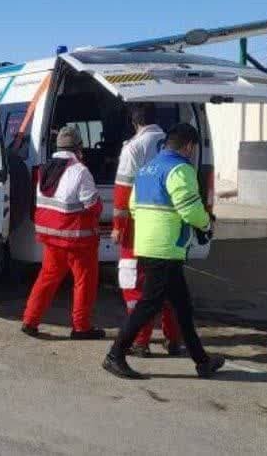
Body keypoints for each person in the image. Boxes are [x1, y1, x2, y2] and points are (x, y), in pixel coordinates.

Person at [103, 123, 225, 379]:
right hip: (166, 248)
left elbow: (134, 206)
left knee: (182, 306)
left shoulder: (147, 169)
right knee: (148, 305)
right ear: (189, 146)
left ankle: (202, 361)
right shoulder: (180, 169)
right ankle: (115, 354)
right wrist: (206, 223)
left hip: (147, 245)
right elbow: (189, 208)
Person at [21, 125, 105, 339]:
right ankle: (81, 327)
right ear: (78, 147)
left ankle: (30, 321)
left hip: (51, 237)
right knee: (84, 282)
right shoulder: (80, 170)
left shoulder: (44, 169)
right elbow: (92, 206)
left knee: (47, 278)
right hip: (78, 240)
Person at [112, 104, 183, 357]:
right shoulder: (173, 143)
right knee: (168, 284)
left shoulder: (133, 147)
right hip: (170, 225)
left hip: (139, 224)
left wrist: (119, 227)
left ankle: (140, 341)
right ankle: (174, 338)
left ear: (134, 122)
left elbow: (122, 194)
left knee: (135, 284)